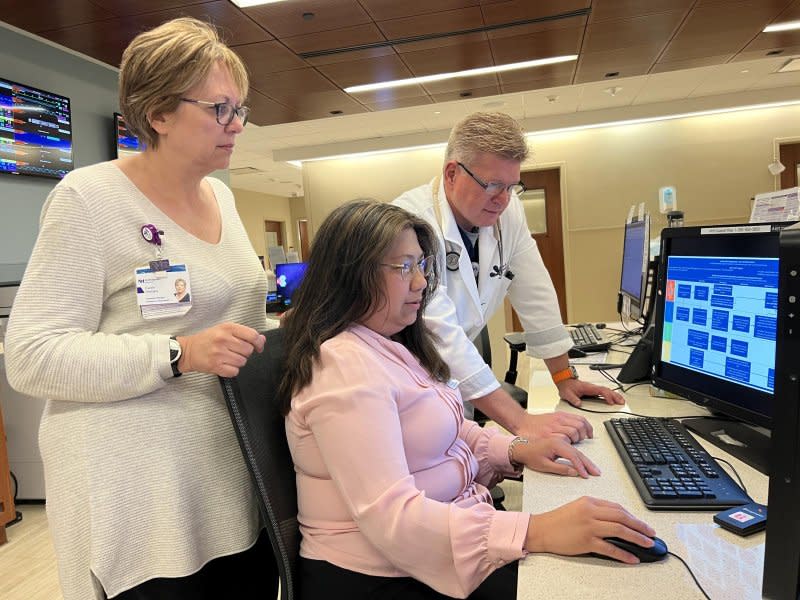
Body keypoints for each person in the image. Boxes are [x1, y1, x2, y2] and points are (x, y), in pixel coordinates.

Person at [4, 17, 277, 600]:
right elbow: (30, 356)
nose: (236, 126)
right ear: (157, 113)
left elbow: (237, 318)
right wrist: (177, 353)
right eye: (219, 109)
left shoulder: (222, 199)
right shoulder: (89, 198)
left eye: (241, 110)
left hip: (227, 479)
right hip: (140, 497)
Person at [279, 200, 657, 600]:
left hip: (437, 545)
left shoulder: (388, 344)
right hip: (380, 575)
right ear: (350, 276)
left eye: (422, 266)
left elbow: (447, 430)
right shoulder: (343, 366)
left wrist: (515, 450)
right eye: (404, 267)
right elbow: (393, 520)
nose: (421, 283)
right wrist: (536, 530)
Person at [393, 112, 624, 444]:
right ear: (452, 173)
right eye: (492, 185)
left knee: (468, 464)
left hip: (456, 380)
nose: (502, 199)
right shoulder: (410, 224)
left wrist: (564, 377)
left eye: (512, 186)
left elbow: (535, 290)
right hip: (410, 382)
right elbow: (437, 333)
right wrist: (520, 422)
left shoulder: (506, 209)